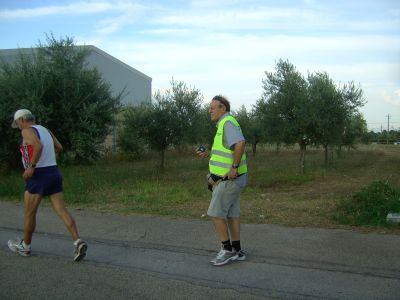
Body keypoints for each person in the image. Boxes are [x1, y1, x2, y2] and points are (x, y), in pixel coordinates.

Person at [7, 109, 87, 261]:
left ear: (22, 120)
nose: (18, 126)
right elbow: (59, 148)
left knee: (29, 213)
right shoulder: (46, 130)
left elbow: (38, 146)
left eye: (17, 123)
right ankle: (78, 241)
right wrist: (46, 159)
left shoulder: (27, 131)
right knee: (61, 210)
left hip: (38, 175)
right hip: (53, 173)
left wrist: (32, 166)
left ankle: (25, 246)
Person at [196, 95, 248, 266]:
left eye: (213, 107)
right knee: (232, 215)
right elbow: (226, 151)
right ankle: (237, 250)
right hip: (233, 180)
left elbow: (240, 143)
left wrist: (234, 167)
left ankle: (226, 251)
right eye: (209, 108)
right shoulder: (223, 125)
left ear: (222, 109)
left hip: (229, 180)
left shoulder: (227, 123)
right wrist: (208, 154)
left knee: (216, 214)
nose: (209, 110)